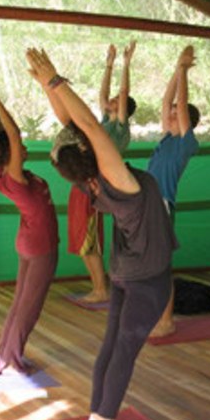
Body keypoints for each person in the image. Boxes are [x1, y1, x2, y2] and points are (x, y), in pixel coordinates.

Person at [27, 47, 176, 420]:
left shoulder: (87, 179)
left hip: (126, 272)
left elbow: (76, 127)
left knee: (112, 346)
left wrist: (49, 88)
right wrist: (55, 81)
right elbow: (90, 128)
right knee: (123, 350)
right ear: (90, 152)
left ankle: (99, 416)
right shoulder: (119, 180)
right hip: (147, 278)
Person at [0, 79, 59, 376]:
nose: (23, 146)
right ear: (10, 153)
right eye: (19, 146)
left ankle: (4, 354)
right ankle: (12, 358)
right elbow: (11, 133)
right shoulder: (15, 179)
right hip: (41, 246)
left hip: (27, 242)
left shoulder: (2, 172)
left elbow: (2, 135)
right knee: (29, 307)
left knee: (20, 302)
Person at [69, 41, 137, 304]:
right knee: (80, 239)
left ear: (124, 110)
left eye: (117, 101)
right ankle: (99, 286)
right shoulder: (105, 122)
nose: (110, 100)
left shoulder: (120, 128)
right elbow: (103, 94)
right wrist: (108, 64)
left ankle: (101, 289)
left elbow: (122, 90)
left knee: (89, 240)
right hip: (84, 181)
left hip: (96, 186)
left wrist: (126, 64)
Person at [148, 45, 201, 338]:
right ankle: (155, 315)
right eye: (168, 114)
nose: (167, 114)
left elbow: (179, 104)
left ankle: (166, 321)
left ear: (186, 122)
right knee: (148, 265)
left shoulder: (186, 143)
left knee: (160, 266)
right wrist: (176, 68)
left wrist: (183, 72)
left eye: (174, 114)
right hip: (149, 204)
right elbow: (167, 100)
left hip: (163, 205)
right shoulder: (167, 139)